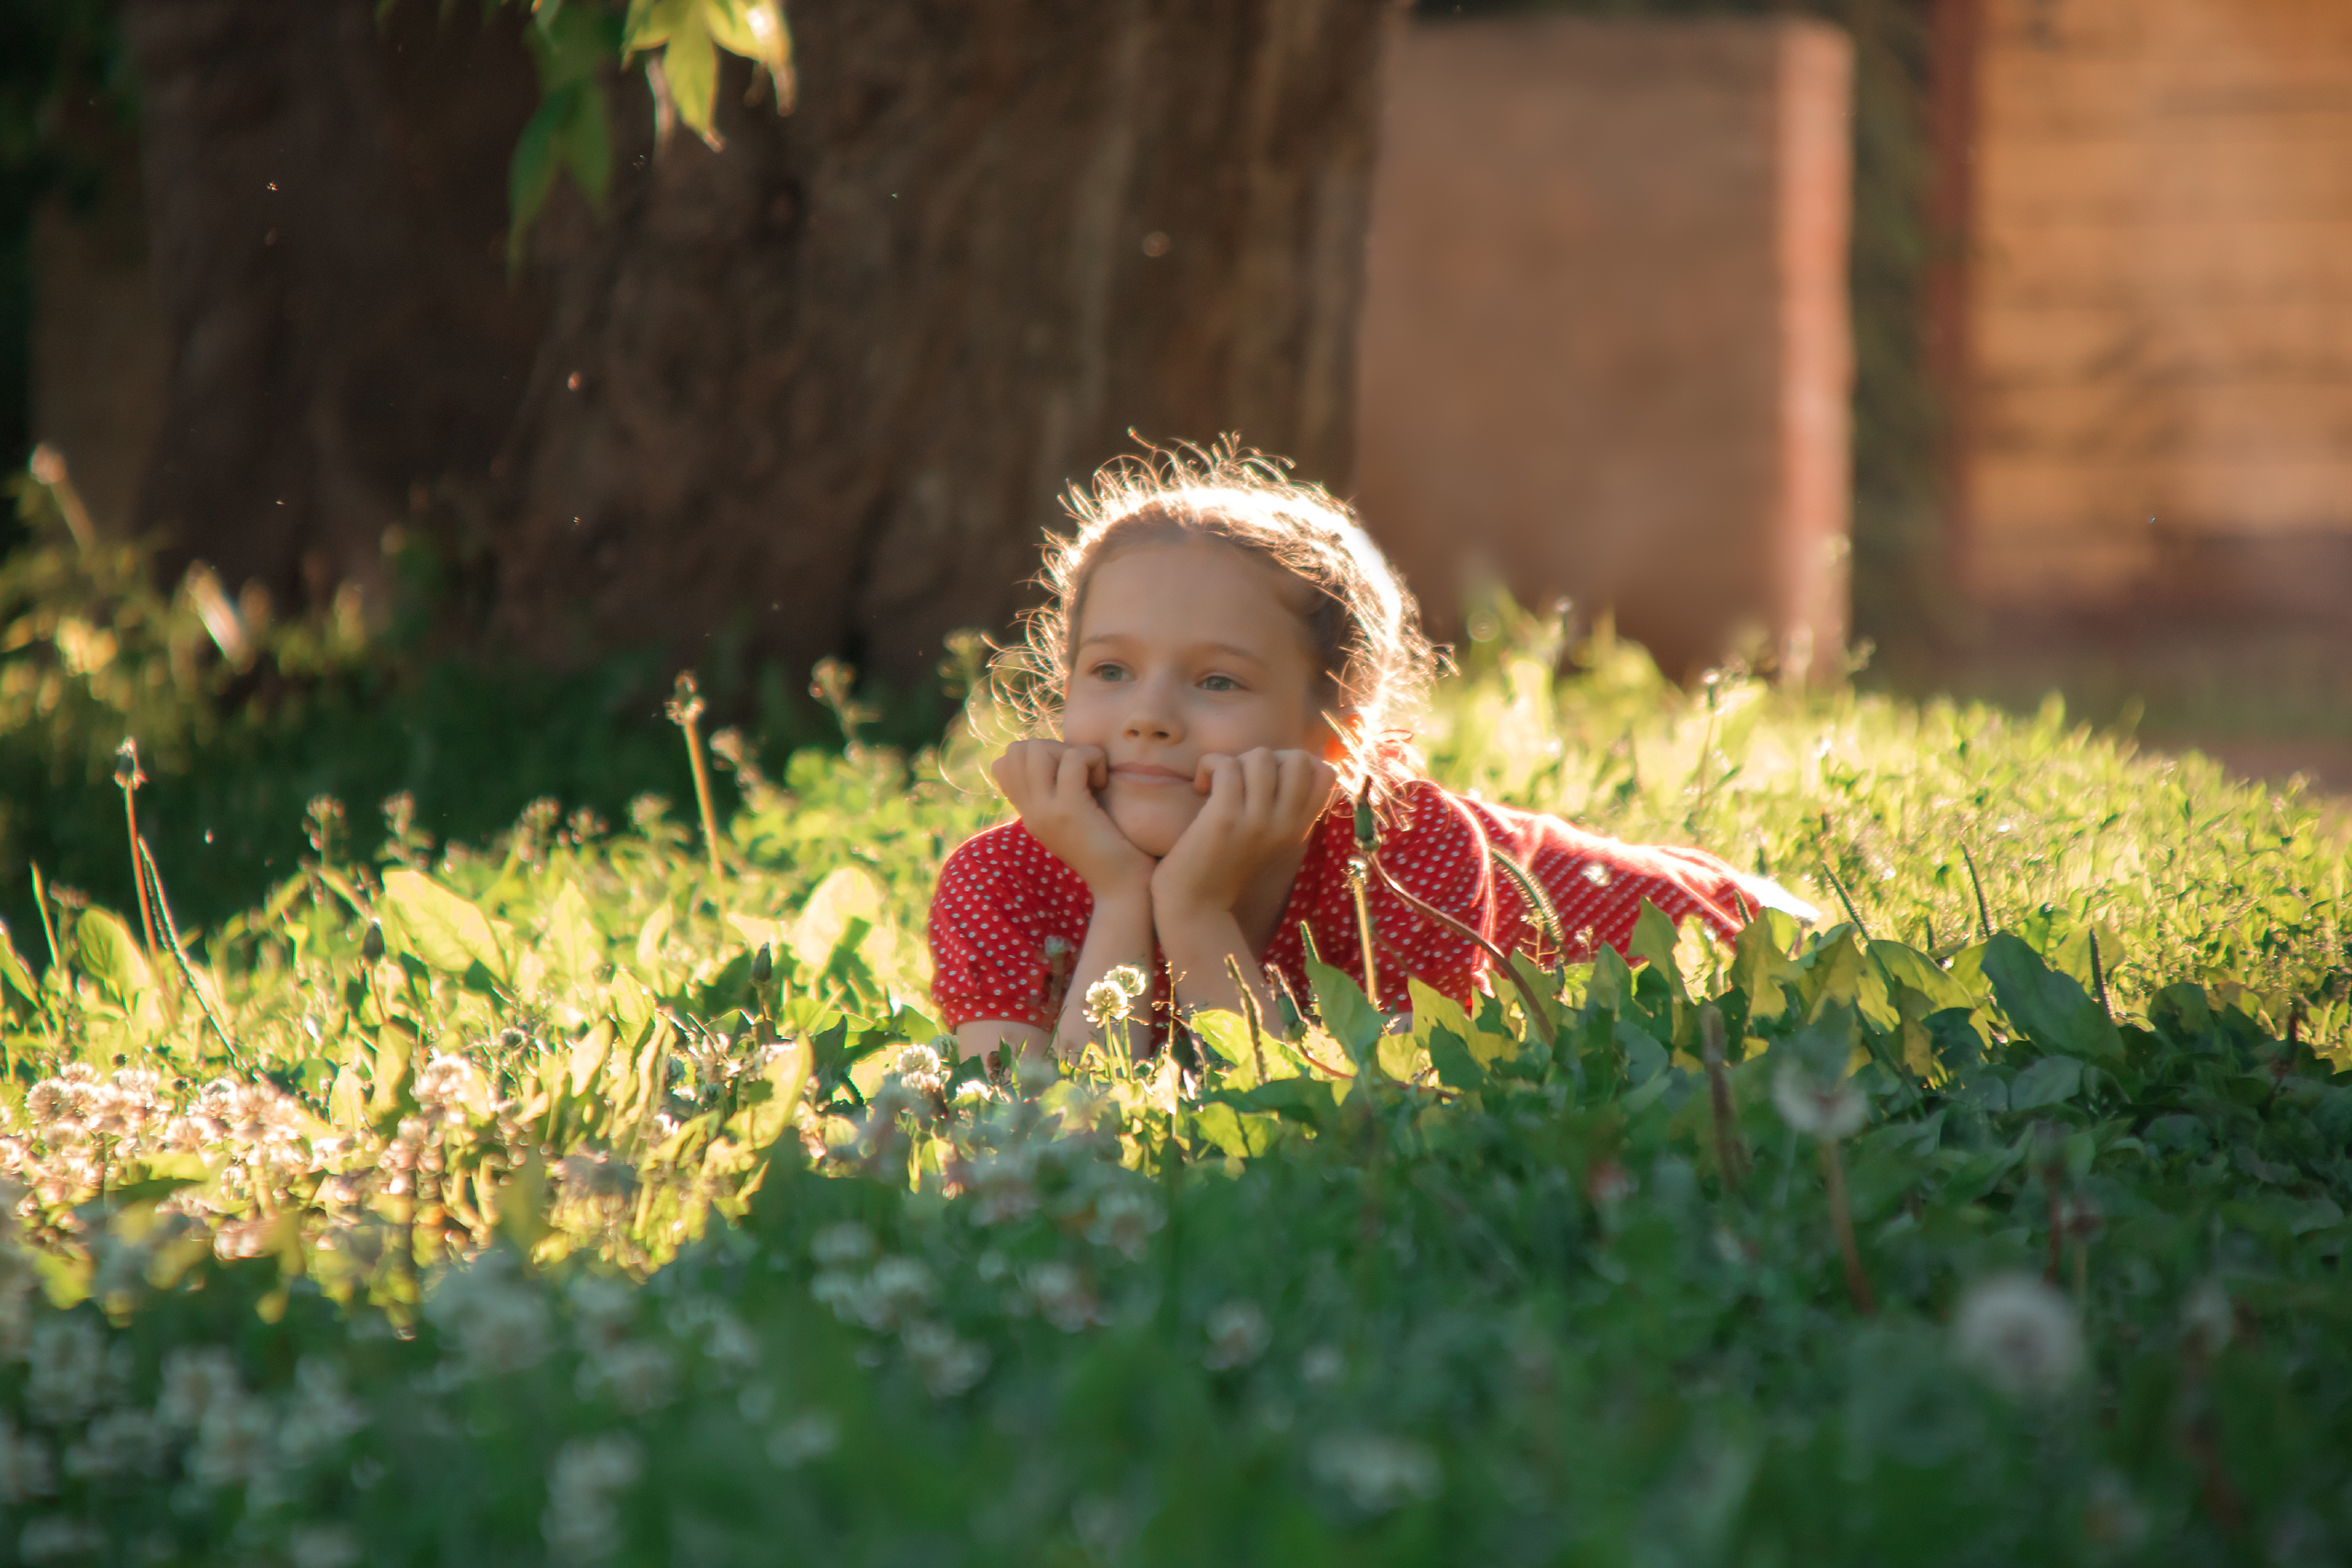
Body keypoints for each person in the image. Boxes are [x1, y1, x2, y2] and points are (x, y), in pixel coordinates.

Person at [930, 447, 1809, 1064]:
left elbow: (1307, 1125)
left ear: (1340, 733)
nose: (1149, 718)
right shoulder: (999, 878)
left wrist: (1193, 909)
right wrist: (1124, 895)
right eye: (1111, 670)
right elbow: (1039, 1130)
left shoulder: (1410, 860)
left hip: (1751, 952)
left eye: (1219, 683)